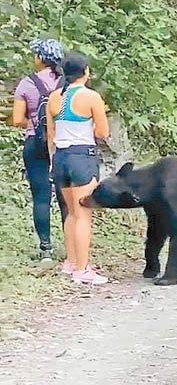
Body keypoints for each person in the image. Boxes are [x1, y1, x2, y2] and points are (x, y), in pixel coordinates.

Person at [47, 52, 109, 285]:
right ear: (85, 72)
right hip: (82, 157)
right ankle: (82, 270)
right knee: (83, 214)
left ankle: (71, 262)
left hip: (60, 158)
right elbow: (103, 133)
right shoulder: (91, 97)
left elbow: (51, 134)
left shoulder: (54, 97)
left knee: (71, 212)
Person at [13, 38, 67, 260]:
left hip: (35, 142)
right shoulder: (68, 82)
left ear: (40, 58)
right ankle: (73, 249)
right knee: (66, 197)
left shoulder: (27, 83)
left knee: (41, 196)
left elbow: (17, 120)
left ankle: (46, 249)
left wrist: (33, 119)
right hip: (64, 143)